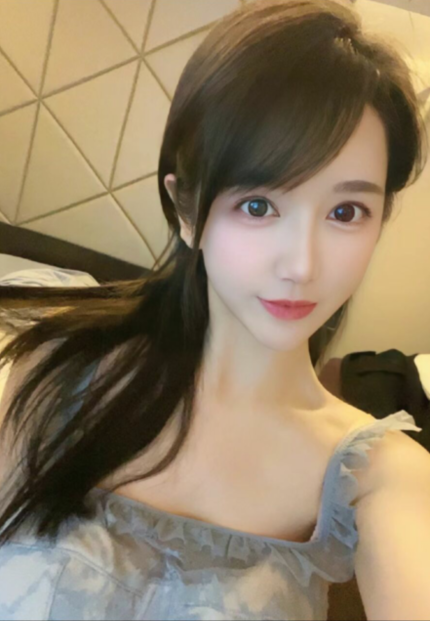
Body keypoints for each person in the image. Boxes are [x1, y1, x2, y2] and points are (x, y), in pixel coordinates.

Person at [0, 0, 429, 619]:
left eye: (345, 212)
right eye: (258, 206)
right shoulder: (54, 371)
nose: (301, 264)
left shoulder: (379, 479)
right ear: (185, 210)